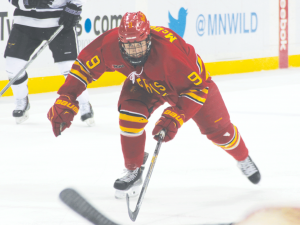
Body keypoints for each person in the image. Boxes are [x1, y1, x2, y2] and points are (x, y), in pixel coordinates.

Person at [47, 11, 261, 198]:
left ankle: (243, 157)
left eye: (139, 45)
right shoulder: (110, 44)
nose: (134, 52)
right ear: (121, 42)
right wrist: (66, 96)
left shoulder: (170, 55)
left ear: (148, 39)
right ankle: (133, 168)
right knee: (130, 116)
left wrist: (176, 116)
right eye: (128, 46)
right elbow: (84, 67)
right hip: (144, 83)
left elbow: (197, 89)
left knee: (221, 133)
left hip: (188, 88)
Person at [5, 0, 94, 126]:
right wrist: (27, 2)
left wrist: (75, 6)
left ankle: (84, 103)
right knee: (12, 65)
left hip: (59, 20)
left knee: (69, 68)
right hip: (25, 22)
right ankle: (21, 100)